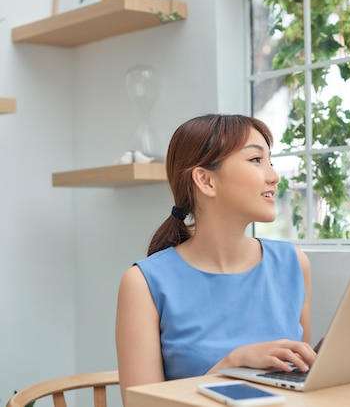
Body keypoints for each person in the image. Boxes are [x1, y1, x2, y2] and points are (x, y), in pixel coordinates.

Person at [115, 114, 316, 403]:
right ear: (206, 180)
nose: (274, 176)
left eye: (270, 161)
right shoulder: (143, 283)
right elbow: (142, 404)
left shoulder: (294, 264)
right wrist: (233, 363)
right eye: (256, 160)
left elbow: (300, 385)